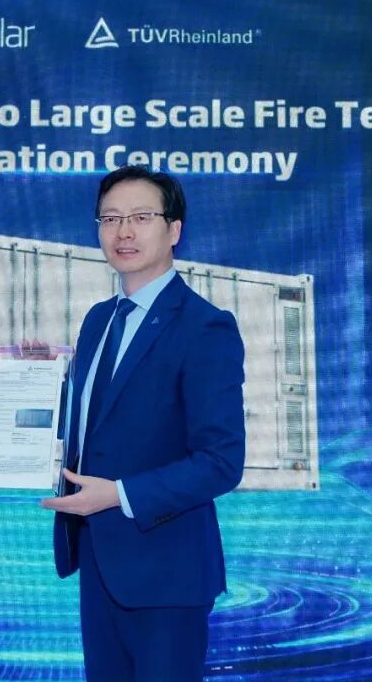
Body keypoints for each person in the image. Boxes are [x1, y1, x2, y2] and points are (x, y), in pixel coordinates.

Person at [41, 166, 246, 682]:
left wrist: (118, 494)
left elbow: (221, 462)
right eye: (110, 219)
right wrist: (3, 384)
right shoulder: (98, 319)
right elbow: (90, 424)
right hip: (98, 561)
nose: (123, 232)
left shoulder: (205, 326)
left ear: (174, 230)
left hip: (167, 571)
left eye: (140, 217)